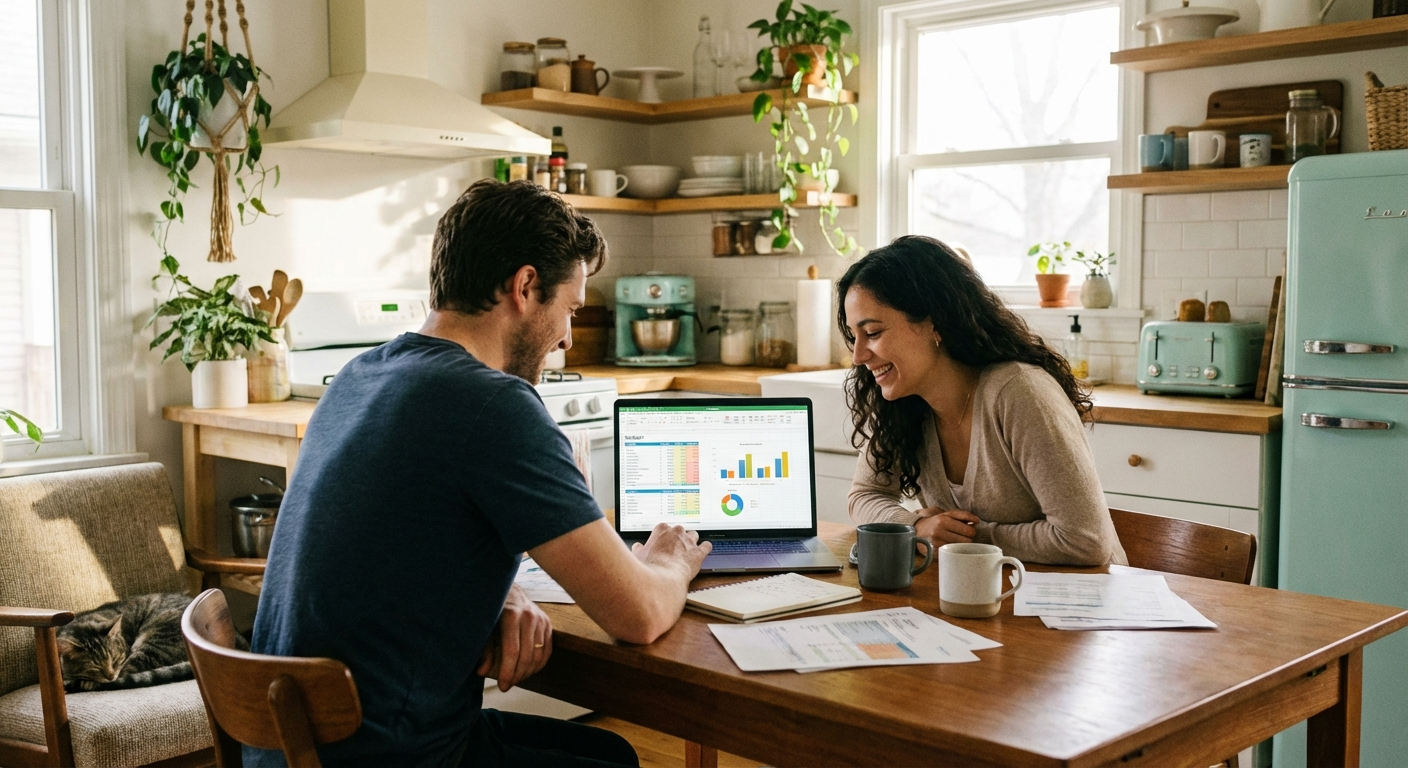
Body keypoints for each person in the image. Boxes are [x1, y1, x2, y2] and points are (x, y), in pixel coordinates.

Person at [248, 180, 711, 767]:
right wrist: (670, 558)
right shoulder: (494, 405)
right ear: (524, 287)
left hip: (292, 749)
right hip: (390, 757)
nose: (568, 336)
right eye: (569, 308)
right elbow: (639, 616)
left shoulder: (361, 374)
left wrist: (500, 594)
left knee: (610, 751)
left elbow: (390, 545)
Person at [839, 235, 1126, 566]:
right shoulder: (901, 398)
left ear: (933, 322)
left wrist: (963, 538)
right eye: (854, 336)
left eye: (872, 333)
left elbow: (1085, 541)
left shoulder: (1019, 392)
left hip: (1084, 602)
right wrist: (917, 525)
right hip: (988, 595)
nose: (859, 356)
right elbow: (864, 496)